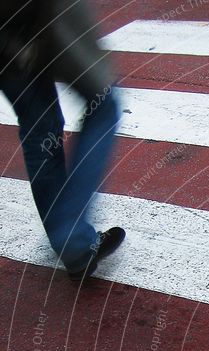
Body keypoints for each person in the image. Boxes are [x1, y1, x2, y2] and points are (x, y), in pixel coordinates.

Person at [0, 0, 124, 281]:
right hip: (39, 14)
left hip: (7, 43)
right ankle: (71, 235)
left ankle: (74, 247)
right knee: (103, 105)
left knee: (39, 127)